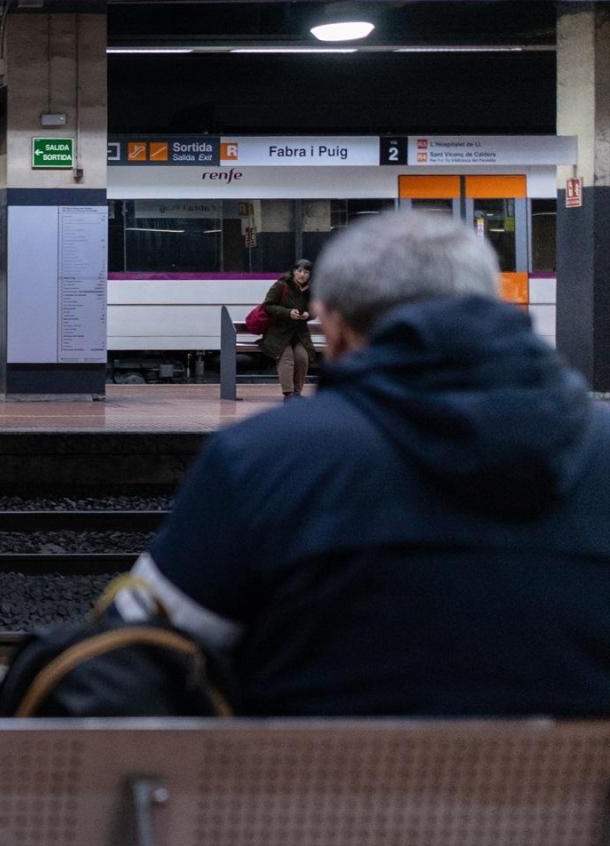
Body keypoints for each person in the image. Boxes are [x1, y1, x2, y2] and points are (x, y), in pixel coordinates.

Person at [112, 211, 610, 717]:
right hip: (575, 792)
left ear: (333, 324)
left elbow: (133, 651)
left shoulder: (261, 458)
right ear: (491, 301)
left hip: (316, 791)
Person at [261, 259, 316, 402]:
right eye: (299, 271)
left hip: (299, 333)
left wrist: (308, 315)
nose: (302, 275)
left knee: (302, 358)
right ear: (293, 271)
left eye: (306, 272)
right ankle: (288, 394)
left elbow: (315, 309)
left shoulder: (311, 290)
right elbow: (268, 306)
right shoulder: (281, 286)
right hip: (279, 333)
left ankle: (297, 393)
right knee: (287, 358)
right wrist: (287, 312)